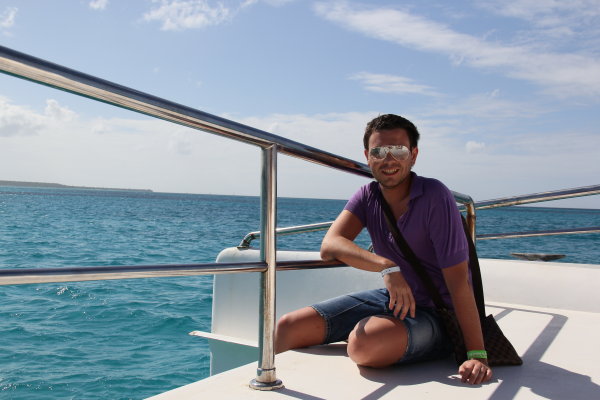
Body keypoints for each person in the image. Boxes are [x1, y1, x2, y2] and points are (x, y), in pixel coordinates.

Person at [275, 114, 492, 385]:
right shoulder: (367, 196)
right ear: (367, 156)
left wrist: (477, 354)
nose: (388, 160)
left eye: (398, 150)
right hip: (394, 299)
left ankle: (389, 335)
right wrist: (387, 266)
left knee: (363, 344)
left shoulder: (435, 195)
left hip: (439, 313)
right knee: (288, 327)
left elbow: (459, 281)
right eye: (378, 151)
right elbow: (330, 244)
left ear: (413, 155)